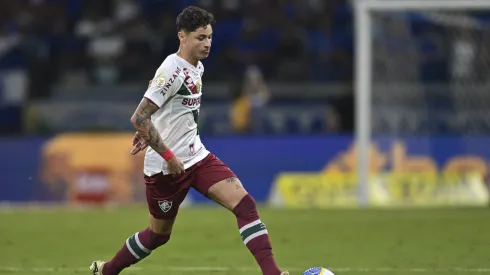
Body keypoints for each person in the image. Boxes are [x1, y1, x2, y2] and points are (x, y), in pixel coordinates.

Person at [89, 6, 288, 275]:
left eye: (209, 37)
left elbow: (157, 100)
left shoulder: (196, 67)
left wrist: (152, 125)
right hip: (166, 167)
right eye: (200, 38)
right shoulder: (172, 70)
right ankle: (108, 271)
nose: (207, 44)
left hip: (197, 156)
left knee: (245, 204)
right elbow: (138, 117)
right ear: (182, 37)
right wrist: (168, 155)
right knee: (158, 235)